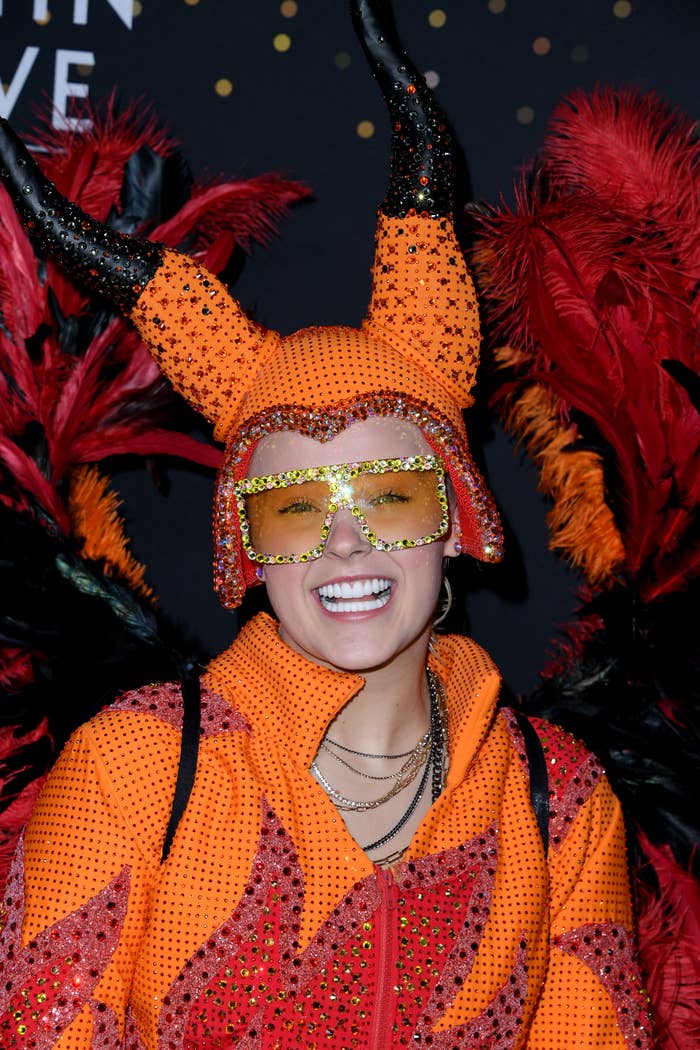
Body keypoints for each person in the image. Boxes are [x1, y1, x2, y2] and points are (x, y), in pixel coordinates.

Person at [0, 2, 654, 1046]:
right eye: (297, 507)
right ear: (245, 547)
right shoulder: (132, 773)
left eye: (388, 495)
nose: (346, 542)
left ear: (457, 520)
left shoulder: (561, 807)